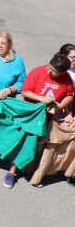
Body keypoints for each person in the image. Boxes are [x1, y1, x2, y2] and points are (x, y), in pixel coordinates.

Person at [22, 54, 75, 189]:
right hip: (32, 114)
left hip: (49, 118)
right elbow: (25, 91)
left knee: (40, 145)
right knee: (28, 142)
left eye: (53, 71)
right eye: (49, 67)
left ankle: (31, 170)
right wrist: (41, 98)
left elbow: (69, 95)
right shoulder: (38, 71)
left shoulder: (66, 78)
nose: (48, 71)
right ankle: (21, 168)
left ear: (62, 72)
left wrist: (59, 107)